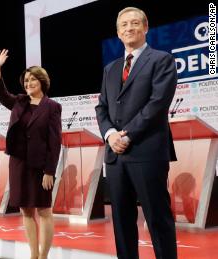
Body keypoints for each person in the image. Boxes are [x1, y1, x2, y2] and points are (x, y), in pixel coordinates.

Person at [95, 7, 178, 259]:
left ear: (145, 27)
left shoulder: (161, 59)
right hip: (116, 156)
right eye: (124, 25)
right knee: (121, 222)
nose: (129, 28)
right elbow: (102, 106)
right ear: (118, 33)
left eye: (134, 23)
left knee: (157, 220)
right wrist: (110, 134)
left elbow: (157, 104)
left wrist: (127, 135)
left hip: (147, 151)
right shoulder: (111, 68)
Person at [0, 49, 62, 259]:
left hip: (40, 167)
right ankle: (33, 255)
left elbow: (54, 142)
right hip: (19, 164)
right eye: (26, 81)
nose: (29, 83)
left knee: (44, 211)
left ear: (42, 81)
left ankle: (44, 256)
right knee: (26, 211)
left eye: (33, 80)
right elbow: (0, 93)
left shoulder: (52, 107)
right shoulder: (19, 101)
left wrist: (49, 171)